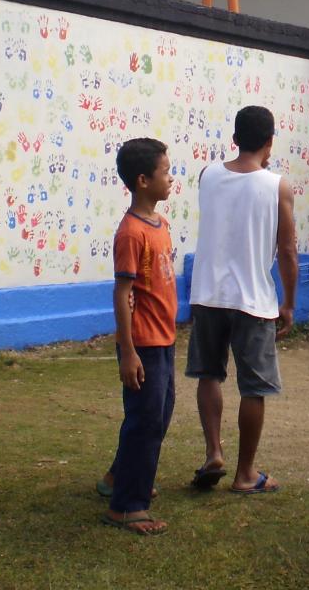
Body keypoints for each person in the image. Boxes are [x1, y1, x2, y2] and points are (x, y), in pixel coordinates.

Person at [185, 105, 298, 494]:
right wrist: (289, 303)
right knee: (254, 388)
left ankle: (213, 451)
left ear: (234, 139)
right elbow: (287, 250)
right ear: (270, 142)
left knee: (208, 374)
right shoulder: (277, 186)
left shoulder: (207, 175)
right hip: (253, 299)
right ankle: (245, 473)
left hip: (207, 295)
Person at [99, 138, 178, 536]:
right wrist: (127, 352)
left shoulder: (160, 224)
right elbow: (123, 292)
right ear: (143, 180)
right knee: (144, 420)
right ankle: (127, 506)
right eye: (165, 172)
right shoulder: (131, 233)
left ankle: (121, 476)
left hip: (164, 340)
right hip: (143, 342)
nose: (171, 178)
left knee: (159, 414)